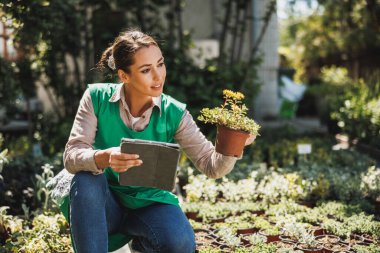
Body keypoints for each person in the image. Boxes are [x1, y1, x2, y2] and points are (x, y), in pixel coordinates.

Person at [60, 29, 256, 253]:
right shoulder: (96, 98)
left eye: (160, 64)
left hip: (150, 203)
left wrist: (232, 146)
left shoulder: (175, 113)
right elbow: (72, 155)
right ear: (124, 76)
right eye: (146, 70)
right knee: (85, 179)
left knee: (180, 243)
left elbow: (210, 165)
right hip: (106, 205)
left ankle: (143, 245)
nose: (158, 76)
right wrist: (104, 157)